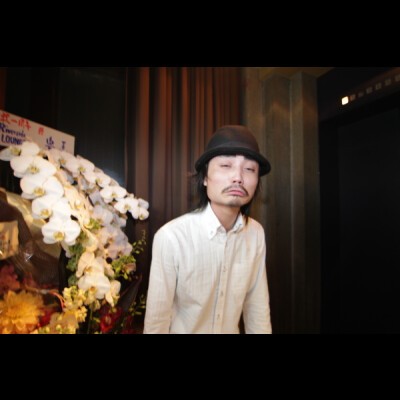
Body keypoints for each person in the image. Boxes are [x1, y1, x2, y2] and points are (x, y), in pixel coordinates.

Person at [144, 125, 272, 334]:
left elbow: (257, 308)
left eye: (249, 169)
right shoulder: (171, 237)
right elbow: (156, 323)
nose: (238, 177)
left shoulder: (255, 233)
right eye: (226, 165)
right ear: (204, 177)